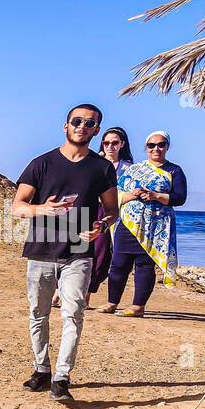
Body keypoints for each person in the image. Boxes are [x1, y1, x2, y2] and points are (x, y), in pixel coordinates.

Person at [12, 104, 118, 403]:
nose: (82, 126)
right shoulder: (42, 163)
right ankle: (41, 369)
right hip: (41, 250)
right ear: (65, 125)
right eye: (77, 121)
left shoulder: (102, 168)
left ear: (96, 130)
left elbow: (112, 211)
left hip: (78, 253)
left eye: (90, 123)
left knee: (73, 314)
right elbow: (18, 205)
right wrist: (41, 209)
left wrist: (101, 226)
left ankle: (61, 376)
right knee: (38, 313)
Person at [98, 130, 185, 317]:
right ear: (146, 148)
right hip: (128, 222)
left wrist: (156, 196)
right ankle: (112, 302)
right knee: (118, 263)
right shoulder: (134, 169)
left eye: (160, 145)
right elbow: (115, 192)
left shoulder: (174, 171)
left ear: (167, 147)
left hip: (155, 225)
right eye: (151, 145)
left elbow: (180, 197)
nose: (156, 149)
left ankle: (138, 306)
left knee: (144, 265)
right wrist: (133, 194)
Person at [86, 126, 132, 299]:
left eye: (114, 143)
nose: (110, 146)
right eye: (106, 143)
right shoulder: (92, 161)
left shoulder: (129, 168)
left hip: (111, 212)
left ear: (122, 144)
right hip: (88, 208)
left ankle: (88, 294)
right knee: (76, 249)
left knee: (101, 253)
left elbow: (131, 192)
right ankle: (61, 291)